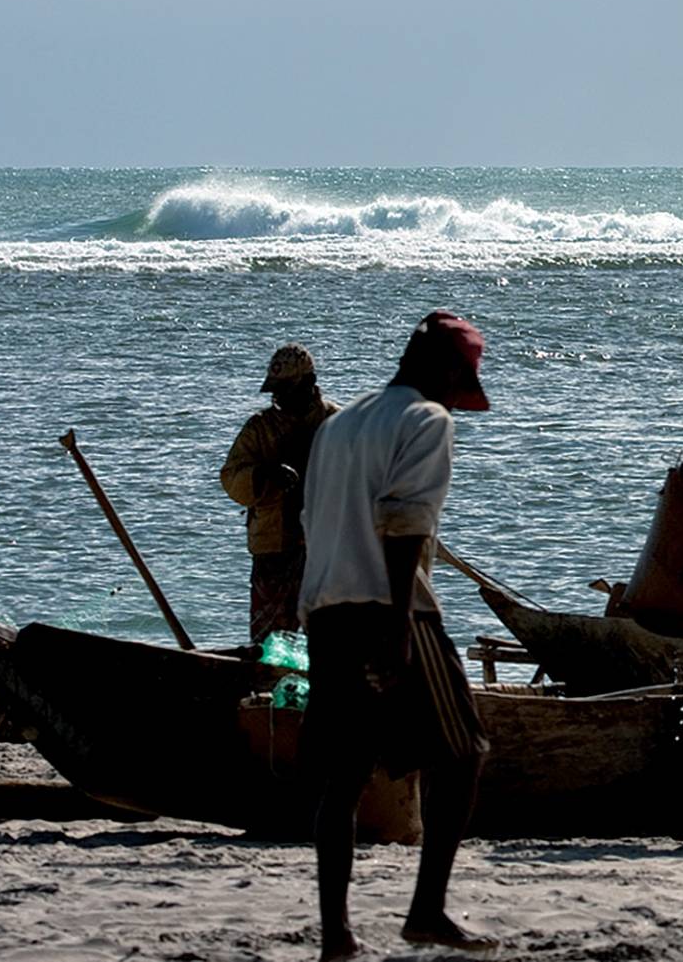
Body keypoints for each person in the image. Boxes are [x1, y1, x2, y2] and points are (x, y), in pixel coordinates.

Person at [298, 312, 494, 960]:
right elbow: (404, 525)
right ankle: (426, 909)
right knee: (462, 751)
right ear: (444, 370)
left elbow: (313, 521)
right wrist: (397, 627)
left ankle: (337, 935)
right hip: (392, 605)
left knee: (344, 775)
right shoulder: (428, 421)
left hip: (325, 609)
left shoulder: (338, 424)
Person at [221, 343, 340, 642]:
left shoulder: (339, 423)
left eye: (287, 389)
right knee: (268, 641)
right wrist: (264, 474)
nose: (279, 397)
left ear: (310, 384)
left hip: (329, 549)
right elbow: (231, 478)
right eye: (276, 390)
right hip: (274, 548)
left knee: (333, 639)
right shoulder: (259, 429)